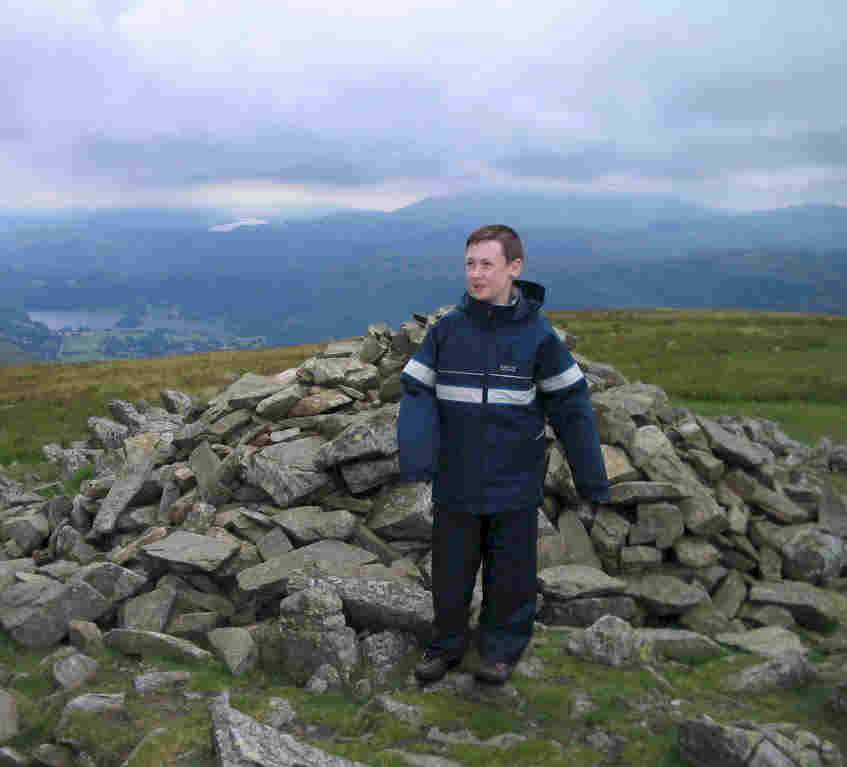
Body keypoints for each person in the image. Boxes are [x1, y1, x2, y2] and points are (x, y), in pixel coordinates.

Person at [397, 224, 610, 685]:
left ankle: (500, 651)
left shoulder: (539, 337)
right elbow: (416, 390)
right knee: (451, 574)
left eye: (487, 264)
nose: (476, 274)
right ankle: (446, 645)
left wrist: (592, 479)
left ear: (514, 268)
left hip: (516, 481)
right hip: (456, 480)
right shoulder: (447, 331)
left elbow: (573, 408)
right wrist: (417, 458)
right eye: (470, 263)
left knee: (511, 574)